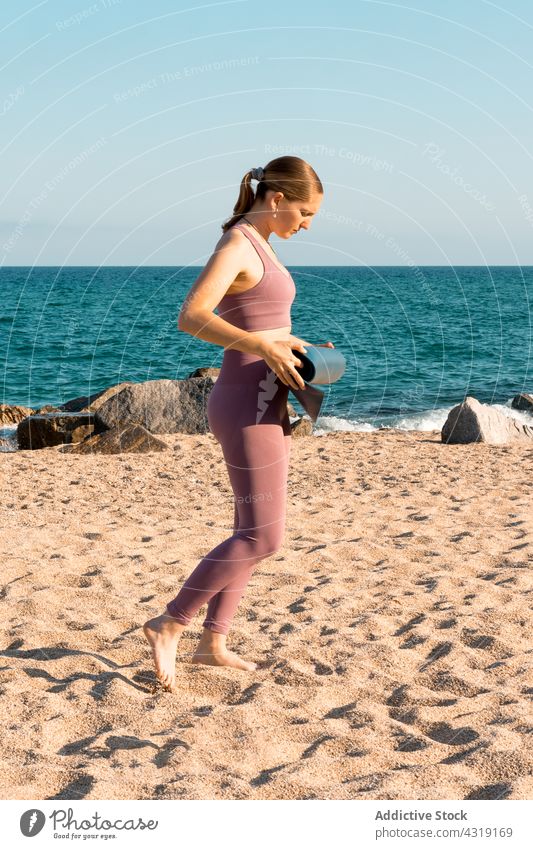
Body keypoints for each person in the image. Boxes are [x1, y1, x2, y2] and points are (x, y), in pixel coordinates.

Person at [143, 156, 332, 691]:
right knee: (263, 537)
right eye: (305, 212)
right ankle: (169, 624)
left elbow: (262, 325)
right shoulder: (237, 244)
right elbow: (192, 316)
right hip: (244, 403)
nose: (308, 224)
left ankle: (213, 642)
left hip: (267, 400)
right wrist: (260, 346)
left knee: (248, 529)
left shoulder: (262, 245)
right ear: (276, 200)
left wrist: (298, 350)